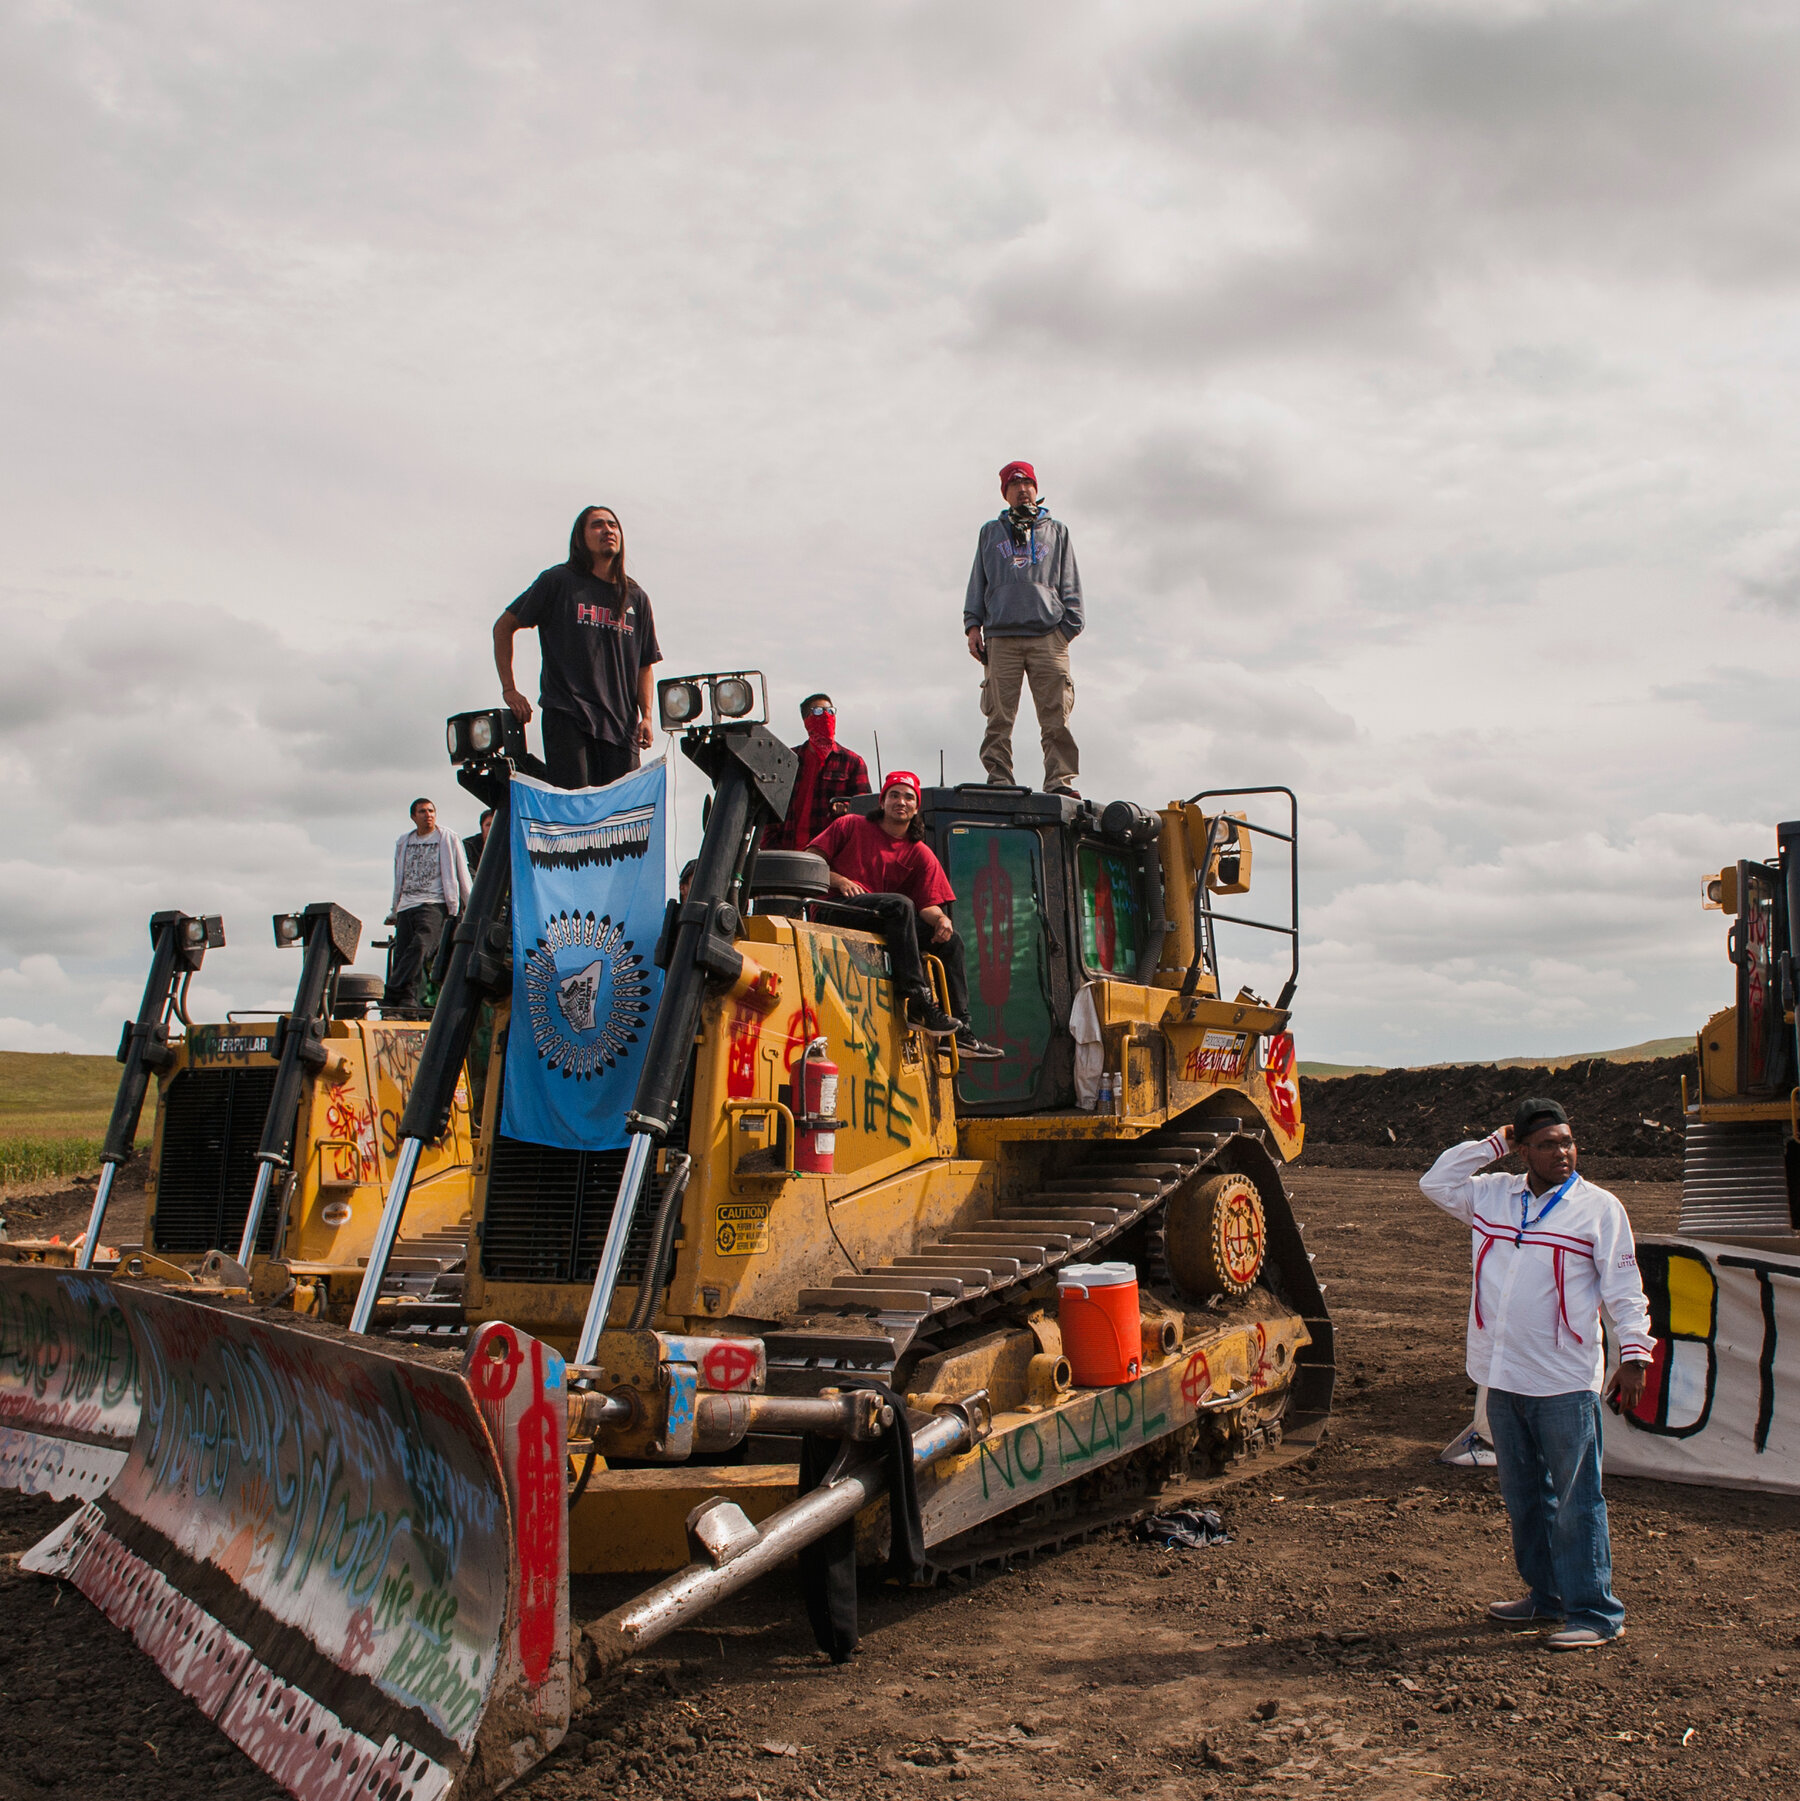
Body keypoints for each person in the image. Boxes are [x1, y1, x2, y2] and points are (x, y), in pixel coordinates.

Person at [1420, 1099, 1655, 1651]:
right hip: (1501, 1375)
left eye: (1568, 1142)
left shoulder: (1599, 1208)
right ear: (1523, 1150)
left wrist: (1635, 1357)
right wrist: (1492, 1144)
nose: (1563, 1153)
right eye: (1547, 1144)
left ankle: (1597, 1613)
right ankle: (1546, 1598)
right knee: (1525, 1496)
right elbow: (1435, 1181)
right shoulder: (1492, 1195)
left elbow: (1624, 1291)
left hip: (1565, 1380)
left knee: (1577, 1500)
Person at [807, 772, 1002, 1061]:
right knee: (899, 905)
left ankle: (959, 1033)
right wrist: (839, 880)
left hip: (884, 917)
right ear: (882, 800)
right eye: (895, 795)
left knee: (951, 942)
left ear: (916, 807)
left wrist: (940, 921)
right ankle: (919, 1001)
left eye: (909, 797)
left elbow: (927, 905)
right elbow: (811, 859)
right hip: (836, 910)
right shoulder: (850, 825)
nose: (901, 801)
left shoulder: (919, 853)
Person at [494, 504, 663, 790]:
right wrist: (509, 689)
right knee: (577, 813)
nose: (608, 530)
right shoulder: (558, 581)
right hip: (568, 714)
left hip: (620, 726)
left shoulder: (636, 596)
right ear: (580, 537)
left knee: (620, 820)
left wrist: (646, 716)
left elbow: (645, 663)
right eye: (597, 525)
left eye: (613, 525)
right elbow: (503, 627)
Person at [964, 460, 1083, 797]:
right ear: (1006, 493)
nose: (1022, 490)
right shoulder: (990, 532)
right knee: (998, 718)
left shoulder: (1056, 531)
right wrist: (973, 625)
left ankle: (1060, 781)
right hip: (1001, 638)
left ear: (1035, 487)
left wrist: (1067, 628)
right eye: (1014, 485)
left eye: (1027, 483)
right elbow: (978, 580)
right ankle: (1000, 781)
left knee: (1056, 716)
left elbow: (1071, 582)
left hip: (1048, 636)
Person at [385, 798, 471, 1011]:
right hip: (407, 905)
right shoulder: (404, 841)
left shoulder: (447, 838)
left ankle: (392, 990)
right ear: (413, 817)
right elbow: (399, 876)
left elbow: (462, 873)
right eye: (422, 811)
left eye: (431, 811)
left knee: (422, 945)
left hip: (434, 903)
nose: (428, 815)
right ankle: (407, 1001)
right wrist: (394, 909)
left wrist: (469, 904)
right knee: (403, 952)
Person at [763, 693, 872, 850]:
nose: (827, 716)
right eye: (819, 712)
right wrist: (770, 852)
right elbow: (769, 811)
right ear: (806, 720)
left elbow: (864, 810)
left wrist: (846, 807)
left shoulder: (852, 762)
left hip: (831, 856)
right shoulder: (786, 760)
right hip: (787, 854)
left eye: (831, 711)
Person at [464, 806, 495, 874]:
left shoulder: (508, 846)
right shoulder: (468, 845)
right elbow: (467, 869)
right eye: (488, 825)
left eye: (494, 824)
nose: (491, 828)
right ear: (482, 827)